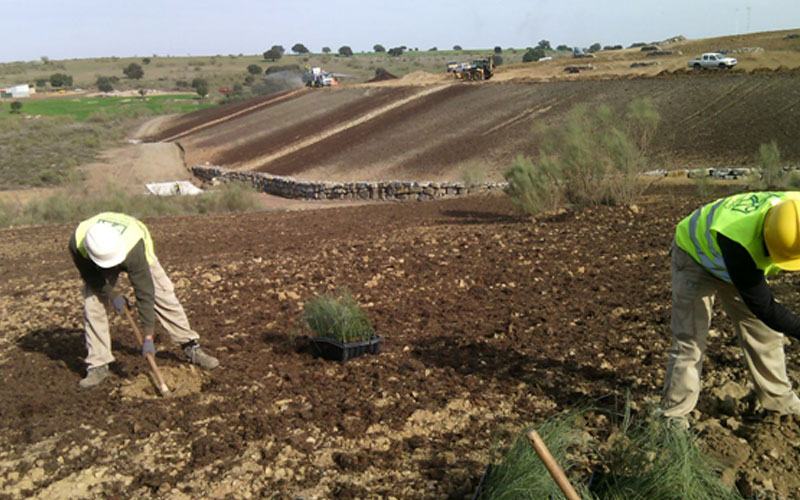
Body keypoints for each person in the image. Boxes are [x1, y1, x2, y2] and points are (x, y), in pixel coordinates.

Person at [663, 191, 800, 422]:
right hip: (695, 255)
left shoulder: (795, 210)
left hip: (737, 254)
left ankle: (780, 402)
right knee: (691, 339)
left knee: (764, 334)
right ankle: (674, 415)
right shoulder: (740, 244)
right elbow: (764, 308)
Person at [69, 212, 219, 388]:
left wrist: (148, 336)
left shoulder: (133, 247)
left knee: (164, 294)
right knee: (93, 303)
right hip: (96, 263)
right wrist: (113, 294)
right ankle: (98, 365)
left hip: (134, 252)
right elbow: (90, 276)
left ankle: (190, 346)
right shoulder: (78, 243)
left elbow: (145, 293)